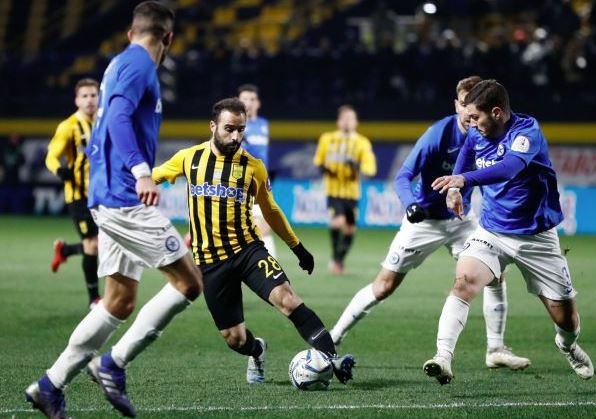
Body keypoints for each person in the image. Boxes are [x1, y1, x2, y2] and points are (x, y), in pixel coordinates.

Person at [25, 3, 203, 418]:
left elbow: (104, 129)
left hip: (106, 195)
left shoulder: (118, 64)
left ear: (129, 33)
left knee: (119, 300)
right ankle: (113, 364)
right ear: (169, 38)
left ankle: (49, 386)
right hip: (125, 198)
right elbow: (119, 118)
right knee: (190, 282)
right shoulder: (140, 66)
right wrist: (141, 172)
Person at [330, 76, 530, 371]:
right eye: (464, 104)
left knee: (495, 274)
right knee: (384, 286)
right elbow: (403, 176)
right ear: (456, 105)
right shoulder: (438, 135)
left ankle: (495, 349)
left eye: (474, 106)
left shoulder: (488, 134)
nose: (469, 112)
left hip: (461, 221)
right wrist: (410, 204)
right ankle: (333, 338)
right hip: (424, 221)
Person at [153, 97, 355, 386]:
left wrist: (297, 247)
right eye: (229, 129)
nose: (236, 136)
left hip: (248, 251)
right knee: (234, 339)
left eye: (241, 130)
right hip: (209, 262)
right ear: (213, 126)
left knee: (287, 299)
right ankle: (257, 350)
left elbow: (271, 211)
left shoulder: (253, 167)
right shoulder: (189, 158)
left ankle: (332, 358)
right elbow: (152, 178)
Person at [426, 79, 594, 384]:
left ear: (497, 112)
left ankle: (567, 345)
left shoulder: (526, 132)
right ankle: (442, 357)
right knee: (463, 283)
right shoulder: (476, 133)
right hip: (492, 231)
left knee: (565, 318)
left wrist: (464, 180)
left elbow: (510, 168)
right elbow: (466, 154)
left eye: (476, 117)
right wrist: (455, 189)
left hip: (536, 236)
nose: (470, 123)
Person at [45, 78, 101, 309]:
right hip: (79, 196)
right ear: (77, 100)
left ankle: (66, 250)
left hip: (103, 194)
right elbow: (51, 156)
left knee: (107, 244)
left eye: (93, 95)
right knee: (93, 245)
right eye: (84, 96)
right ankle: (94, 299)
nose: (89, 100)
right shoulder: (68, 126)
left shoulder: (104, 121)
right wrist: (60, 170)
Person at [313, 105, 376, 274]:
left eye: (351, 119)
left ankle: (338, 260)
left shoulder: (362, 142)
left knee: (350, 229)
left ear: (356, 122)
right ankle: (335, 259)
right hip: (333, 191)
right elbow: (318, 160)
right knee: (338, 222)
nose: (347, 122)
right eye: (344, 118)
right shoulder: (327, 139)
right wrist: (324, 169)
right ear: (338, 121)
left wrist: (357, 166)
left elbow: (370, 169)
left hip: (352, 193)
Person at [237, 83, 278, 257]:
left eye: (252, 99)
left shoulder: (263, 124)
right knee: (257, 226)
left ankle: (267, 264)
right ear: (238, 101)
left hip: (261, 183)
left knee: (265, 226)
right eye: (245, 99)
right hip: (241, 183)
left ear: (258, 103)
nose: (249, 103)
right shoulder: (235, 125)